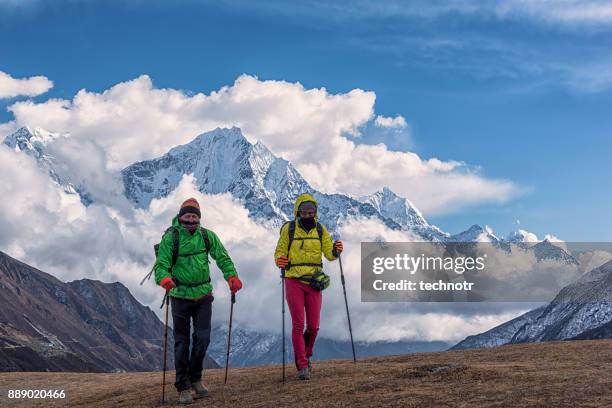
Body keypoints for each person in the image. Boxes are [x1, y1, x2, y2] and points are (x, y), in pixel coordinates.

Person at [155, 198, 243, 404]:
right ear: (181, 216)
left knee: (203, 339)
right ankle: (183, 386)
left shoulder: (207, 236)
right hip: (179, 296)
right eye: (188, 216)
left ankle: (196, 378)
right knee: (181, 342)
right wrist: (164, 279)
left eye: (194, 216)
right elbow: (162, 264)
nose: (191, 219)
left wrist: (231, 275)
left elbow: (222, 257)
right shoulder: (171, 238)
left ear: (199, 218)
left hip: (204, 294)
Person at [274, 193, 343, 380]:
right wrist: (280, 261)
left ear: (315, 213)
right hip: (293, 281)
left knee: (313, 326)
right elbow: (280, 252)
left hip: (314, 282)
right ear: (298, 212)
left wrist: (336, 251)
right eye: (304, 212)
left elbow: (329, 254)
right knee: (298, 324)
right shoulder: (289, 230)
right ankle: (302, 365)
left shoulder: (320, 230)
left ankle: (306, 353)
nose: (307, 215)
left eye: (311, 212)